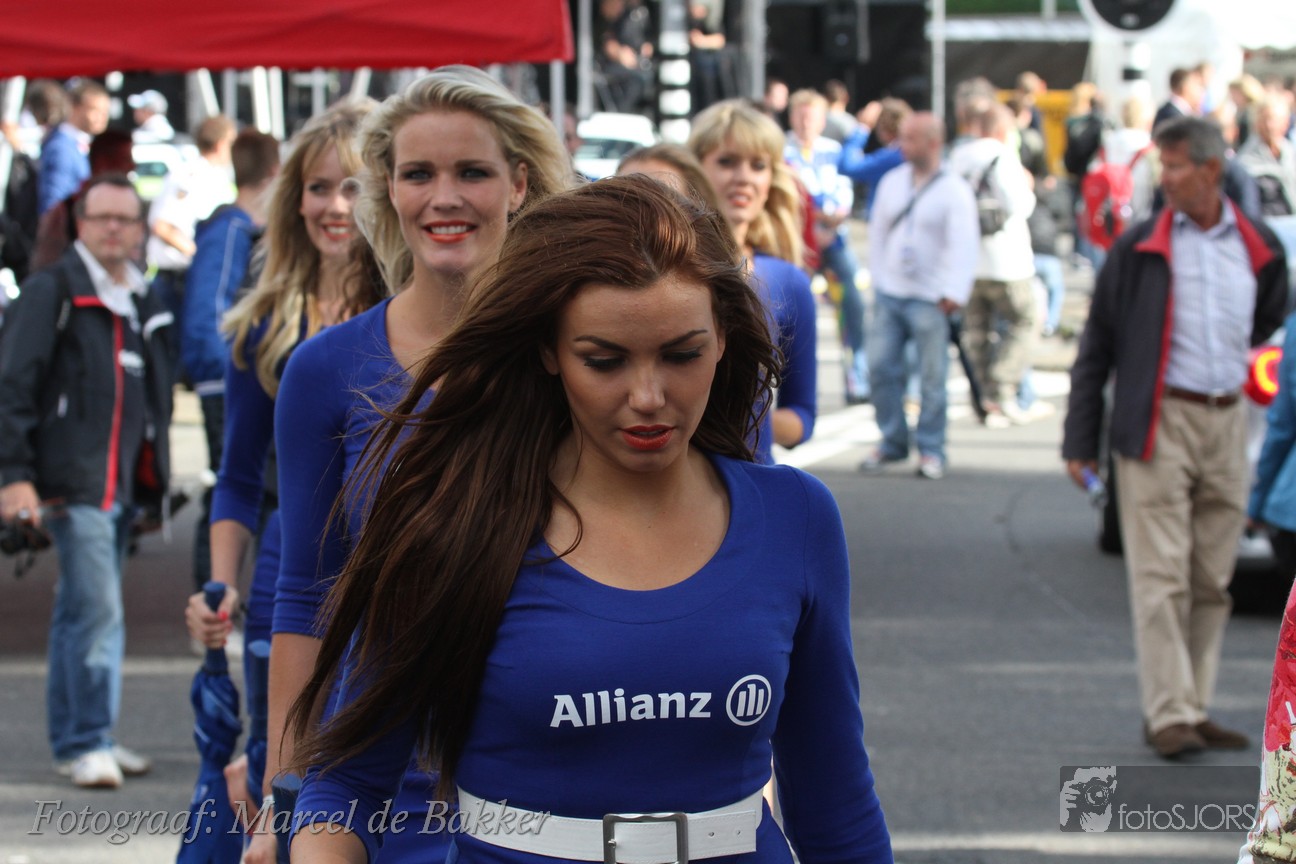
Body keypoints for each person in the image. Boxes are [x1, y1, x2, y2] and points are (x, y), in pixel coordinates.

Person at [286, 173, 894, 864]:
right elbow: (345, 787)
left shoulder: (796, 516)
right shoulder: (455, 519)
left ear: (723, 338)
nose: (648, 395)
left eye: (682, 354)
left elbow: (836, 805)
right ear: (548, 350)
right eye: (604, 361)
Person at [270, 67, 576, 862]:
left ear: (519, 184)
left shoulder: (577, 355)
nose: (445, 198)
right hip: (377, 782)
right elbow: (307, 594)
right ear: (388, 188)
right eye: (418, 174)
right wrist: (283, 794)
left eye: (471, 172)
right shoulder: (325, 370)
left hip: (558, 773)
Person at [181, 99, 383, 863]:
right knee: (282, 779)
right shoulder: (262, 323)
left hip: (389, 577)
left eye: (353, 187)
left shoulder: (412, 315)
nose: (335, 206)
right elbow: (236, 476)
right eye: (318, 187)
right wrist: (218, 589)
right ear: (293, 199)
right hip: (287, 575)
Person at [1063, 117, 1288, 759]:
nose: (1165, 178)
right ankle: (1169, 714)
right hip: (1160, 418)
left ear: (1212, 171)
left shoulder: (1258, 243)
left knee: (1212, 578)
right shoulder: (1139, 247)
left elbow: (1270, 312)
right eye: (1162, 165)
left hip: (1226, 417)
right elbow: (1097, 345)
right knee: (1161, 575)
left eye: (1176, 165)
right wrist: (1080, 438)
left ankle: (1193, 703)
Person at [0, 174, 171, 788]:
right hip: (75, 484)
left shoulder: (137, 295)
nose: (114, 229)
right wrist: (13, 475)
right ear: (80, 224)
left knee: (83, 612)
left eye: (126, 219)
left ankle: (85, 736)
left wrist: (153, 482)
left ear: (140, 228)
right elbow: (11, 384)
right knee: (96, 612)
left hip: (119, 485)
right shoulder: (52, 290)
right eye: (103, 218)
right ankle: (86, 740)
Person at [179, 128, 281, 595]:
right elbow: (208, 312)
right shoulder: (232, 230)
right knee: (234, 487)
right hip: (226, 383)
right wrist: (225, 377)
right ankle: (214, 595)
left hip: (233, 380)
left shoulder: (241, 229)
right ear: (275, 173)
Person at [688, 99, 817, 461]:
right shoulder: (665, 269)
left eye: (758, 165)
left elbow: (803, 416)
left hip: (752, 478)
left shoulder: (788, 281)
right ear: (695, 169)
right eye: (727, 162)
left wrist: (749, 418)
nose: (743, 177)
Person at [860, 112, 978, 480]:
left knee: (932, 378)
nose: (902, 145)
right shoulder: (893, 181)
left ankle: (931, 448)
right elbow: (877, 233)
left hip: (931, 297)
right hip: (891, 292)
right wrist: (879, 279)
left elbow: (964, 244)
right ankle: (892, 440)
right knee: (880, 367)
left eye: (911, 139)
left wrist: (954, 291)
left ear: (933, 142)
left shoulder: (954, 189)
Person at [948, 101, 1038, 428]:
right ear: (1002, 130)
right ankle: (1001, 387)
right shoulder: (1003, 156)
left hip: (969, 262)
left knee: (977, 332)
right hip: (1006, 260)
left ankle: (984, 396)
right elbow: (1021, 205)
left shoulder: (957, 158)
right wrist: (1028, 185)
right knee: (1025, 320)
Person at [785, 88, 868, 405]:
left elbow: (845, 187)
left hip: (834, 240)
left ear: (822, 121)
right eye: (801, 117)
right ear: (792, 118)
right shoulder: (781, 150)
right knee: (794, 313)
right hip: (798, 245)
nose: (806, 123)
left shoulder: (834, 151)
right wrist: (814, 219)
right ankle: (797, 387)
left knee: (853, 306)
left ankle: (857, 379)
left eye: (812, 118)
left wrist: (834, 218)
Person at [146, 115, 237, 381]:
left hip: (194, 281)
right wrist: (200, 255)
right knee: (170, 365)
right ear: (221, 144)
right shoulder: (190, 176)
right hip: (179, 283)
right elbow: (163, 226)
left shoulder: (214, 177)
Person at [37, 80, 109, 215]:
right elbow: (53, 206)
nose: (102, 117)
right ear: (74, 107)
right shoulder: (62, 148)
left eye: (105, 112)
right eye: (95, 110)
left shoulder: (76, 144)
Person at [1237, 94, 1296, 217]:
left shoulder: (1291, 153)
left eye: (1275, 120)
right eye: (1265, 119)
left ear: (1286, 123)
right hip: (1267, 222)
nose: (1270, 126)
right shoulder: (1245, 160)